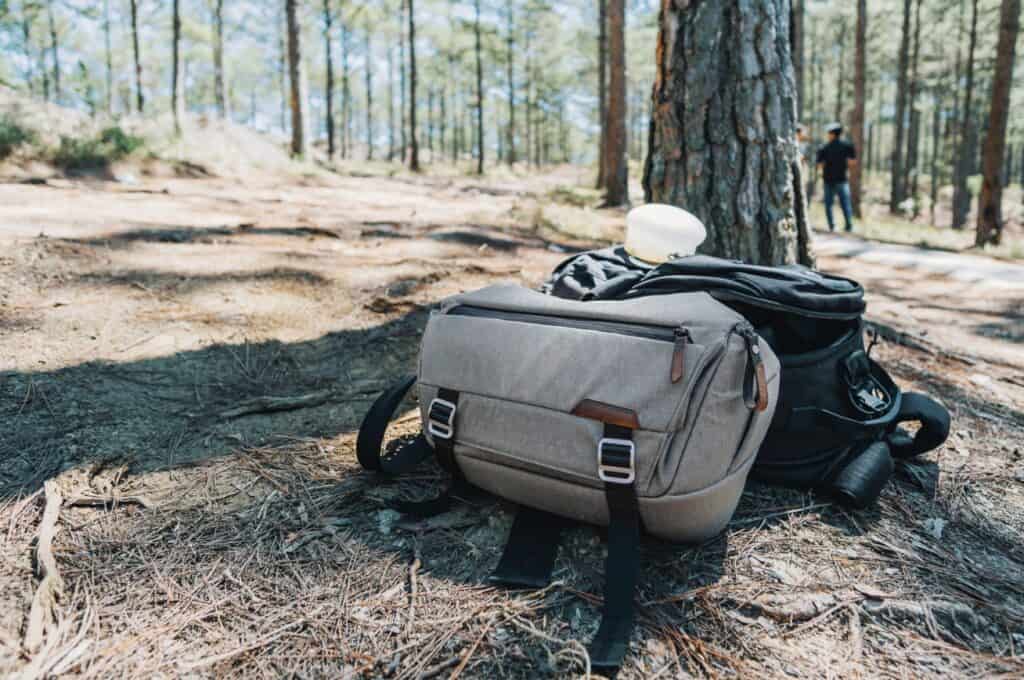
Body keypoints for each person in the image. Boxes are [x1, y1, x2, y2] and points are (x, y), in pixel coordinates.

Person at [816, 122, 857, 232]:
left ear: (833, 134)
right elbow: (852, 162)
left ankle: (832, 226)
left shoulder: (824, 147)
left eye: (829, 133)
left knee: (829, 204)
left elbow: (819, 165)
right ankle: (849, 226)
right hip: (842, 179)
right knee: (845, 204)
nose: (827, 135)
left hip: (828, 179)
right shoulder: (847, 146)